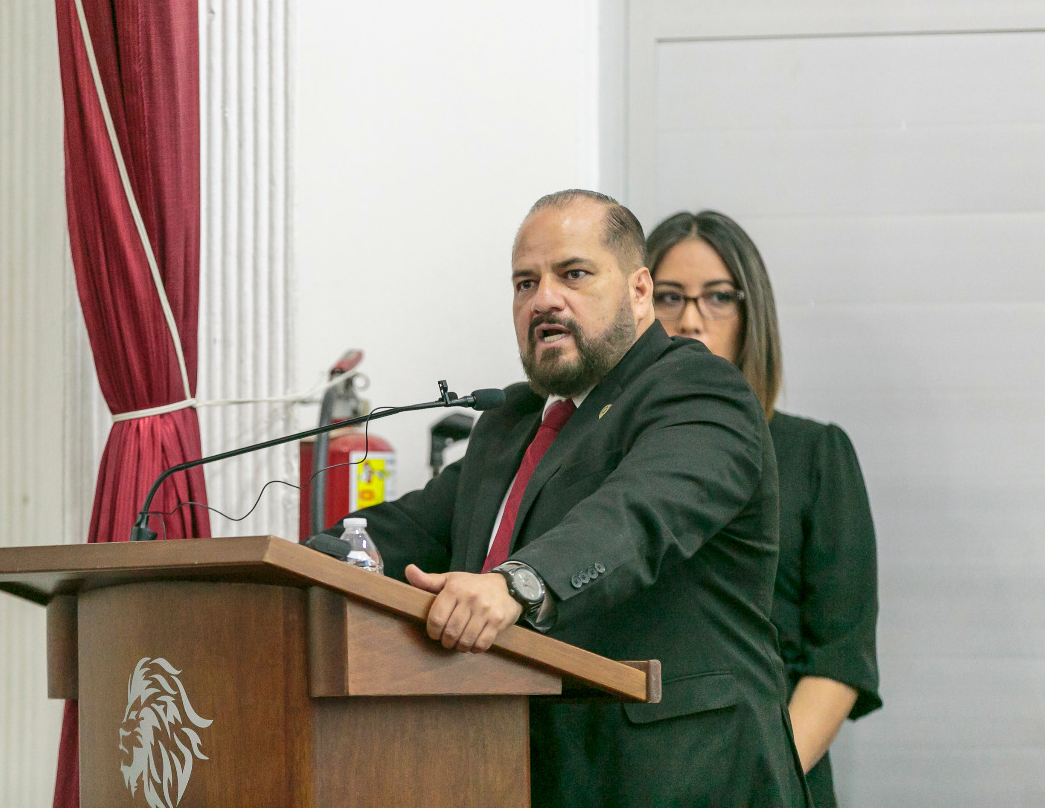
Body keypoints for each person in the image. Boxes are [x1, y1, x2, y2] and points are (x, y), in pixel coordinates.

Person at [337, 190, 810, 807]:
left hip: (684, 777)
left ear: (640, 292)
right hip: (519, 770)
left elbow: (640, 514)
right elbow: (412, 527)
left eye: (574, 274)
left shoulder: (700, 390)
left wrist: (517, 585)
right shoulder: (513, 423)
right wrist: (304, 562)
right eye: (525, 283)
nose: (544, 300)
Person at [646, 210, 881, 808]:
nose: (691, 320)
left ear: (753, 317)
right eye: (670, 297)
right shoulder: (613, 458)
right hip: (639, 771)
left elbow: (840, 657)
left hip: (772, 776)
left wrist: (760, 782)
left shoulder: (814, 454)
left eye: (718, 298)